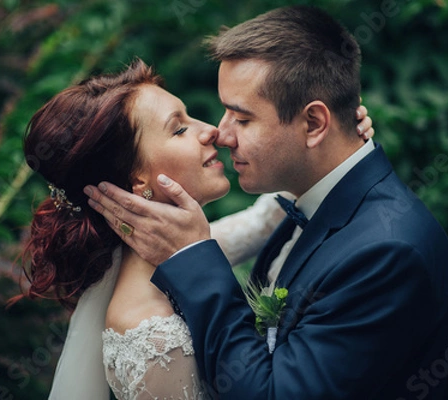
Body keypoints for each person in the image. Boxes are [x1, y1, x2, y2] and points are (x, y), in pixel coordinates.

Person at [84, 5, 448, 399]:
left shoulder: (387, 253)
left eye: (242, 118)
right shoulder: (316, 199)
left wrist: (194, 255)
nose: (221, 133)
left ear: (315, 124)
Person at [20, 59, 373, 399]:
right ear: (136, 180)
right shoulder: (149, 331)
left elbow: (261, 222)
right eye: (179, 128)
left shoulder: (188, 249)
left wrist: (334, 145)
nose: (213, 131)